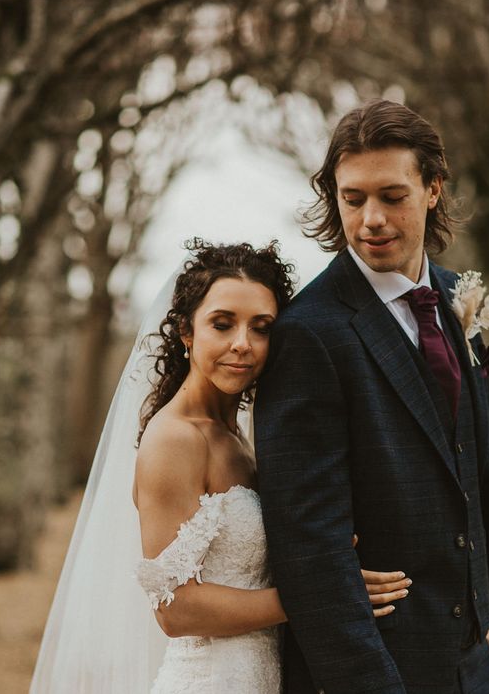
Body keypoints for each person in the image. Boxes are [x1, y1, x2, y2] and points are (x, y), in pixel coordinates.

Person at [30, 240, 411, 694]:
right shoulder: (175, 439)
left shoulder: (240, 436)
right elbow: (176, 610)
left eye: (262, 327)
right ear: (187, 333)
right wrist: (323, 594)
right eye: (222, 324)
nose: (242, 345)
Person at [254, 100, 489, 693]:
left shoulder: (456, 297)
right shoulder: (309, 332)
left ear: (432, 189)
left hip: (475, 663)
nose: (371, 218)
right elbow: (308, 543)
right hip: (379, 667)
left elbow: (471, 468)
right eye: (353, 198)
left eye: (392, 196)